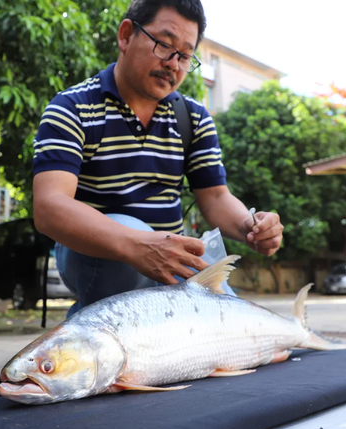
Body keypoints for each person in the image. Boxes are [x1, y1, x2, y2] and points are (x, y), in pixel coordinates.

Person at [33, 0, 283, 316]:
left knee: (235, 321)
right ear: (125, 36)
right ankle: (98, 330)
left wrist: (252, 225)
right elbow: (49, 206)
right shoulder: (72, 109)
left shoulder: (193, 118)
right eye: (164, 46)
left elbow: (217, 198)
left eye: (185, 56)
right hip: (96, 256)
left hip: (170, 259)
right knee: (124, 231)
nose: (173, 64)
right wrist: (140, 245)